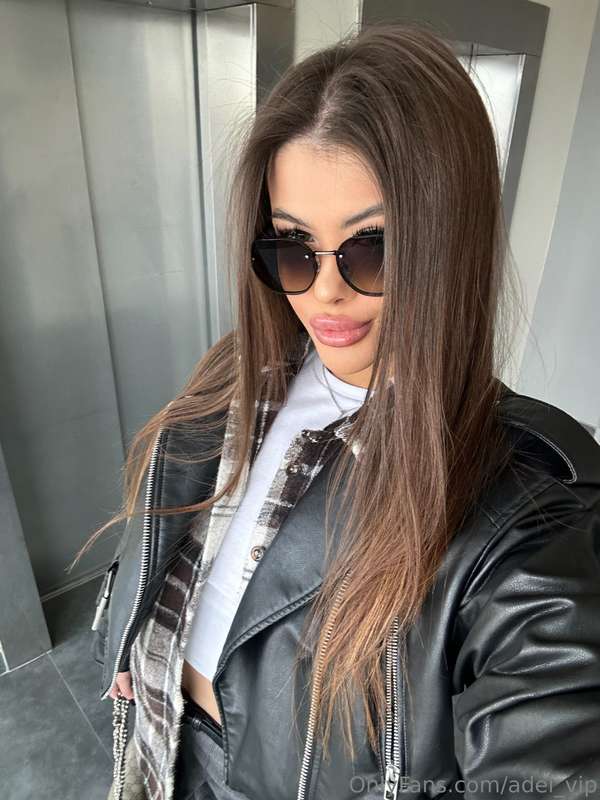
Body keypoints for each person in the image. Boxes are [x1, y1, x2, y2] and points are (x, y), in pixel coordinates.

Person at [77, 20, 600, 800]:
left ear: (446, 244)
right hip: (163, 749)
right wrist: (135, 637)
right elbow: (175, 539)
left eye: (372, 247)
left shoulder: (528, 518)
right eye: (293, 247)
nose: (323, 292)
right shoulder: (239, 370)